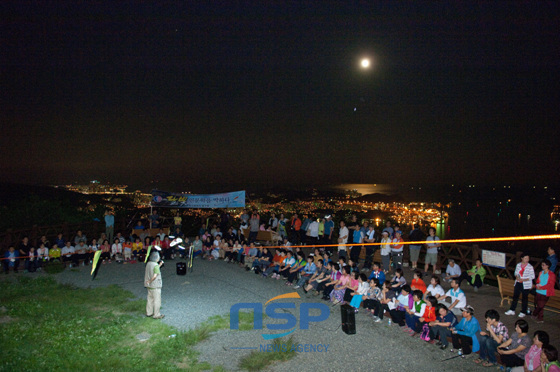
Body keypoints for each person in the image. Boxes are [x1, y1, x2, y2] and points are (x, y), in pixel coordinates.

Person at [505, 252, 535, 318]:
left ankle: (523, 311)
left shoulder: (530, 267)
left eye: (528, 258)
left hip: (525, 284)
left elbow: (532, 276)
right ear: (522, 258)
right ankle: (512, 309)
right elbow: (516, 272)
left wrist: (523, 280)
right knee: (515, 296)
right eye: (525, 258)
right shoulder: (518, 265)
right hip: (518, 282)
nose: (527, 259)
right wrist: (517, 277)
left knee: (524, 298)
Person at [144, 250, 164, 319]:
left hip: (149, 286)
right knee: (157, 300)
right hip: (155, 286)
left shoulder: (148, 263)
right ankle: (156, 314)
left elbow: (154, 268)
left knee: (150, 299)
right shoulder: (155, 266)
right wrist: (150, 281)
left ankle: (149, 312)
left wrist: (160, 265)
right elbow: (155, 275)